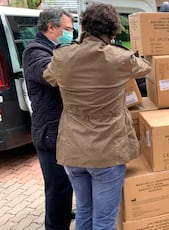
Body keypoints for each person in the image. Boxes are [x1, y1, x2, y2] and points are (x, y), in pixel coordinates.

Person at [43, 3, 152, 229]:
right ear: (113, 32)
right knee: (104, 219)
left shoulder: (62, 56)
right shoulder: (121, 59)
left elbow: (49, 77)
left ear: (82, 26)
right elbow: (145, 67)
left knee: (84, 210)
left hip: (73, 150)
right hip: (107, 151)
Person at [22, 7, 74, 230]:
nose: (71, 34)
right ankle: (55, 226)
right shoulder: (35, 52)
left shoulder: (56, 49)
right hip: (49, 133)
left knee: (65, 185)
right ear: (51, 27)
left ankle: (62, 214)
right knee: (57, 187)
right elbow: (54, 75)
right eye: (68, 29)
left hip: (62, 131)